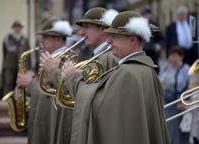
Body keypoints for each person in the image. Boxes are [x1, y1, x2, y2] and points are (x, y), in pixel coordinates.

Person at [61, 11, 169, 144]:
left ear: (132, 40)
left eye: (115, 36)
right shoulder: (148, 71)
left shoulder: (127, 73)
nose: (109, 41)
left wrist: (73, 78)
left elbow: (98, 107)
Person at [39, 7, 119, 144]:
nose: (82, 32)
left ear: (102, 29)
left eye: (87, 27)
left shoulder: (108, 57)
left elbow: (87, 93)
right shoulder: (100, 54)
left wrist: (55, 71)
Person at [16, 19, 72, 144]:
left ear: (58, 39)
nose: (42, 40)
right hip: (44, 115)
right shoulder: (50, 57)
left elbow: (53, 90)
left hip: (51, 118)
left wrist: (29, 83)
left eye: (46, 36)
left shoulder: (66, 59)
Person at [159, 47, 190, 144]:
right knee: (167, 128)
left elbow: (189, 86)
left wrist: (184, 99)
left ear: (181, 57)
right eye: (171, 55)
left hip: (178, 103)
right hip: (165, 102)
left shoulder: (186, 69)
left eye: (175, 56)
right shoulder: (166, 67)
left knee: (176, 130)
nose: (172, 58)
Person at [1, 20, 31, 95]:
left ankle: (19, 101)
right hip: (10, 65)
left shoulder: (24, 40)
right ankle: (7, 101)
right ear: (13, 28)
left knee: (20, 84)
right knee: (8, 83)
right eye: (16, 27)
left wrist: (29, 67)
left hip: (21, 66)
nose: (17, 29)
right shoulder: (8, 38)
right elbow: (4, 52)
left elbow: (28, 54)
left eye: (19, 27)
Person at [141, 6, 163, 73]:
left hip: (153, 52)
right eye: (144, 14)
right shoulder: (139, 25)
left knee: (155, 70)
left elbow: (160, 37)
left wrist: (159, 45)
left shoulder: (154, 25)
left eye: (148, 13)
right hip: (143, 52)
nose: (146, 15)